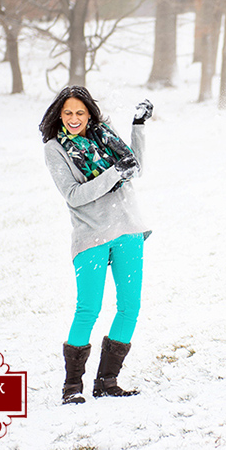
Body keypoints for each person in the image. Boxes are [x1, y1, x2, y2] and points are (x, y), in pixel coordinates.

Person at [39, 86, 153, 404]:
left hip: (128, 228)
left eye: (80, 112)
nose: (74, 119)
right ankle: (72, 387)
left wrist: (138, 125)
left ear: (89, 113)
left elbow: (134, 167)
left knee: (130, 308)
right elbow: (74, 194)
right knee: (88, 309)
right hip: (91, 235)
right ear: (59, 116)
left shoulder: (104, 133)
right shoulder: (55, 148)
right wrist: (115, 173)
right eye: (68, 113)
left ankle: (107, 382)